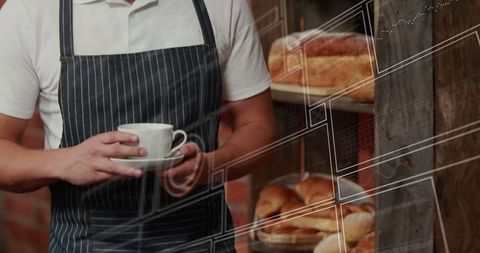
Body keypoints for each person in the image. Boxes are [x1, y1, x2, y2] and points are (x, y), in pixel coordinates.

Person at [0, 0, 275, 252]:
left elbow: (258, 124)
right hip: (84, 244)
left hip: (202, 242)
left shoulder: (221, 5)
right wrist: (64, 162)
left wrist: (211, 166)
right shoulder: (31, 11)